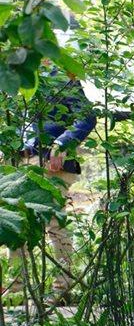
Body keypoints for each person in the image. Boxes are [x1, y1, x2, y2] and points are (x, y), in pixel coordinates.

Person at [10, 61, 97, 300]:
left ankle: (61, 287)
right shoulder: (13, 75)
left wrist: (62, 143)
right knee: (15, 221)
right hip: (19, 162)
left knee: (52, 223)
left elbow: (87, 117)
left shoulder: (60, 73)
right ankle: (15, 290)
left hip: (52, 162)